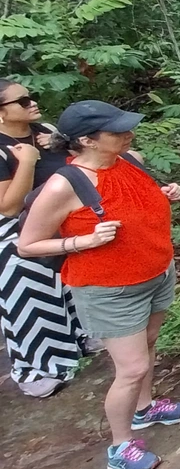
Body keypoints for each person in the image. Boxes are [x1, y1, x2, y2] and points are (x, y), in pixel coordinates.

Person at [18, 100, 180, 469]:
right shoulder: (65, 184)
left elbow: (133, 206)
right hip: (108, 288)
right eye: (118, 131)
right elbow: (27, 245)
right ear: (86, 141)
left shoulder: (130, 160)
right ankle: (120, 446)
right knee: (131, 369)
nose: (129, 134)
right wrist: (82, 242)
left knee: (148, 342)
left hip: (156, 272)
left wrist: (164, 193)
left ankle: (145, 409)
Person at [0, 79, 88, 398]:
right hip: (15, 233)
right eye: (22, 102)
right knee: (31, 297)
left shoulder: (45, 129)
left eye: (31, 97)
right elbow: (8, 206)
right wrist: (26, 162)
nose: (32, 104)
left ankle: (78, 341)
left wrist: (60, 143)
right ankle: (36, 367)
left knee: (66, 286)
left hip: (59, 220)